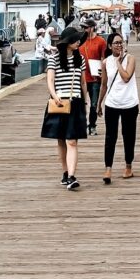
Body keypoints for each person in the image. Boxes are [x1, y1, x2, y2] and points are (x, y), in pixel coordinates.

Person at [41, 27, 89, 191]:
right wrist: (54, 96)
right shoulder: (54, 59)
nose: (78, 42)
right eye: (75, 40)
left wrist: (86, 101)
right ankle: (65, 172)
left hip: (75, 102)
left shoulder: (80, 59)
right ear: (67, 42)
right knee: (61, 140)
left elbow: (83, 82)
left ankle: (71, 176)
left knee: (72, 141)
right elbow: (50, 80)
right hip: (59, 102)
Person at [98, 33, 138, 184]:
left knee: (129, 136)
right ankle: (108, 168)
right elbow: (104, 84)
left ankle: (128, 165)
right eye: (115, 43)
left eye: (121, 42)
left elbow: (126, 77)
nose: (119, 45)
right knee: (110, 137)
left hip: (129, 103)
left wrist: (119, 63)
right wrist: (99, 103)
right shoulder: (105, 62)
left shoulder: (131, 59)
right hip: (112, 103)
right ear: (109, 46)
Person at [79, 19, 107, 137]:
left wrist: (103, 72)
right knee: (80, 103)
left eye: (87, 27)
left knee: (94, 103)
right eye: (84, 27)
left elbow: (104, 58)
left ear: (93, 27)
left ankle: (92, 125)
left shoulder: (100, 41)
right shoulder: (80, 40)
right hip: (82, 77)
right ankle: (81, 125)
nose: (85, 30)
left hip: (95, 77)